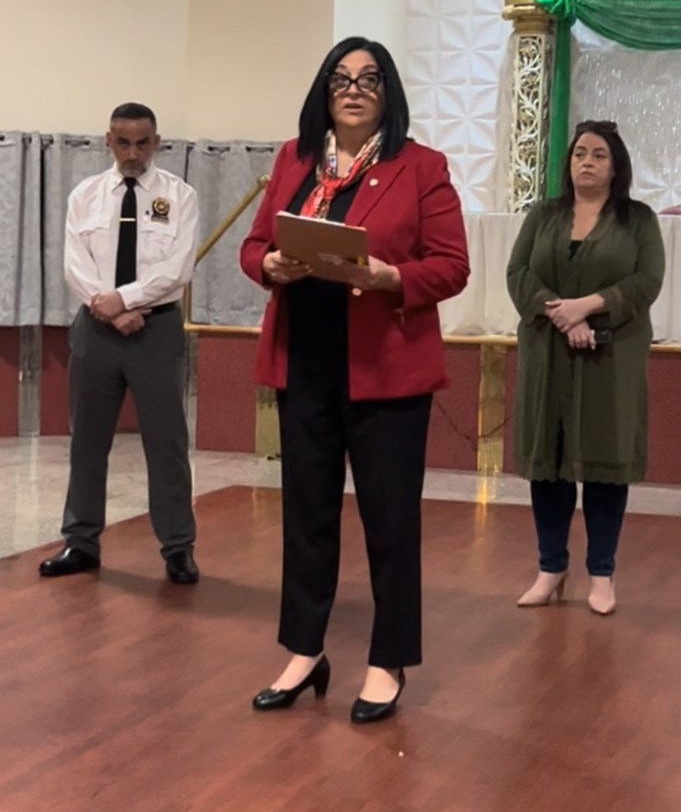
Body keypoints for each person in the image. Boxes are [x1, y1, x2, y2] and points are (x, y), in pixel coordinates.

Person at [240, 36, 470, 722]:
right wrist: (270, 265)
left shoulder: (420, 166)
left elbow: (451, 264)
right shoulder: (293, 159)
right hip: (304, 363)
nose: (353, 88)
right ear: (323, 90)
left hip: (383, 372)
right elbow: (254, 246)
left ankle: (387, 657)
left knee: (388, 521)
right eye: (340, 77)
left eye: (369, 79)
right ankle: (304, 651)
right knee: (306, 518)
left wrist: (389, 276)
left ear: (387, 93)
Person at [507, 120, 665, 615]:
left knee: (604, 465)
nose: (587, 162)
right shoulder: (544, 214)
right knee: (548, 465)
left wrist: (590, 305)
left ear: (615, 165)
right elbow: (519, 273)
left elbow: (647, 281)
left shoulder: (637, 219)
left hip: (610, 358)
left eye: (598, 154)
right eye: (579, 154)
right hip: (548, 353)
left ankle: (602, 573)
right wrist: (562, 312)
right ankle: (551, 568)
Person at [39, 102, 200, 584]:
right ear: (108, 140)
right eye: (123, 142)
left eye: (142, 143)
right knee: (88, 440)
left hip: (156, 329)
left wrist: (125, 300)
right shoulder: (85, 195)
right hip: (96, 329)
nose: (133, 153)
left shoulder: (180, 195)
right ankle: (80, 541)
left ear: (157, 142)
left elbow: (177, 268)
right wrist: (104, 305)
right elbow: (74, 262)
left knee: (166, 443)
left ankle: (177, 548)